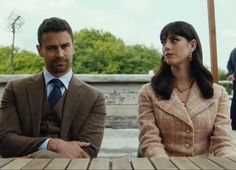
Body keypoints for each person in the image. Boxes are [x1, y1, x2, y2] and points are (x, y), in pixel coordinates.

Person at [0, 17, 106, 158]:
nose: (60, 54)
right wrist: (51, 144)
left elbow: (87, 152)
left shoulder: (94, 97)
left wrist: (39, 154)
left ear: (73, 47)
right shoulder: (15, 89)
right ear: (40, 50)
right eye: (52, 48)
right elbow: (5, 142)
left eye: (65, 46)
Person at [138, 21, 236, 157]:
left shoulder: (217, 93)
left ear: (192, 45)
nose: (166, 46)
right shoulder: (149, 92)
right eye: (163, 42)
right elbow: (150, 142)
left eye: (174, 40)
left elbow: (223, 143)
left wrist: (228, 163)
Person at [227, 47, 236, 130]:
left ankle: (234, 124)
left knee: (234, 101)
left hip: (235, 81)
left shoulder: (233, 51)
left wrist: (232, 74)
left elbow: (228, 65)